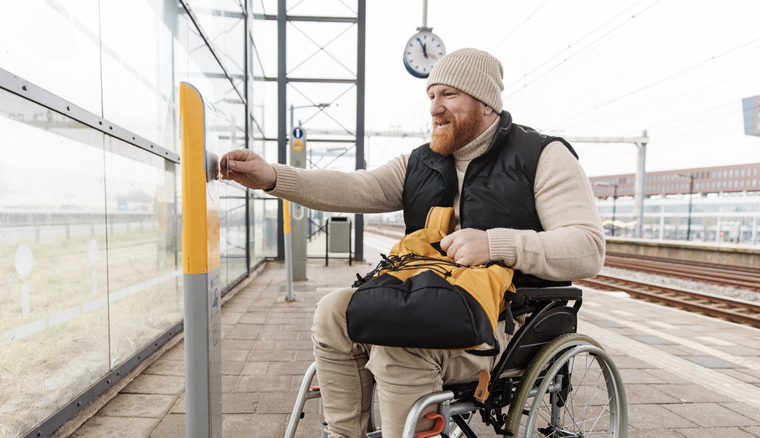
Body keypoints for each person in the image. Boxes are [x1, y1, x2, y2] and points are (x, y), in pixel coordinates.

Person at [220, 48, 605, 438]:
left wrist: (495, 244)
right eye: (431, 96)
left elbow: (588, 247)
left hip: (503, 318)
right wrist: (272, 177)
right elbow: (354, 187)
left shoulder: (542, 156)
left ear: (487, 104)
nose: (435, 108)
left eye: (449, 95)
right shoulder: (420, 163)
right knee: (333, 313)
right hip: (428, 296)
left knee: (398, 347)